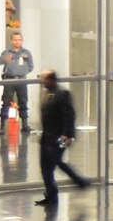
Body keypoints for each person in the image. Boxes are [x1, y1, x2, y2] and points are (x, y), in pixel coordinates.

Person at [34, 70, 88, 204]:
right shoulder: (46, 94)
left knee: (55, 160)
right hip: (47, 136)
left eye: (44, 79)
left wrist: (68, 135)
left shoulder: (62, 94)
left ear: (52, 80)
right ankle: (51, 194)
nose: (42, 81)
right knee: (46, 166)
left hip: (60, 136)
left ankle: (79, 181)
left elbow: (69, 116)